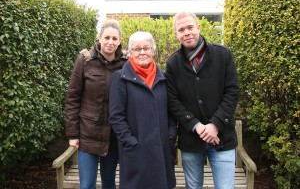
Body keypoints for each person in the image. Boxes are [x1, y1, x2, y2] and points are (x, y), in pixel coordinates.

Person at [165, 11, 240, 189]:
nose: (187, 32)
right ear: (176, 34)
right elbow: (173, 101)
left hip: (223, 138)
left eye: (190, 27)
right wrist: (197, 126)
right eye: (181, 30)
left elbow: (232, 92)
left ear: (198, 27)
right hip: (191, 140)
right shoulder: (173, 63)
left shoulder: (223, 55)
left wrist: (215, 124)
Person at [108, 31, 177, 189]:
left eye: (146, 48)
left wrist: (171, 135)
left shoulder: (164, 78)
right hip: (136, 151)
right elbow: (116, 116)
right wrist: (130, 142)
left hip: (162, 150)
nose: (142, 52)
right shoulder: (120, 78)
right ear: (130, 53)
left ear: (153, 50)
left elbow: (171, 111)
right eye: (137, 49)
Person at [64, 19, 127, 189]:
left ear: (120, 40)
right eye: (106, 37)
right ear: (99, 38)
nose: (110, 42)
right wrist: (72, 134)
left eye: (114, 38)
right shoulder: (85, 60)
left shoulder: (126, 63)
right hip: (87, 134)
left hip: (113, 136)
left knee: (109, 182)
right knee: (87, 185)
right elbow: (73, 98)